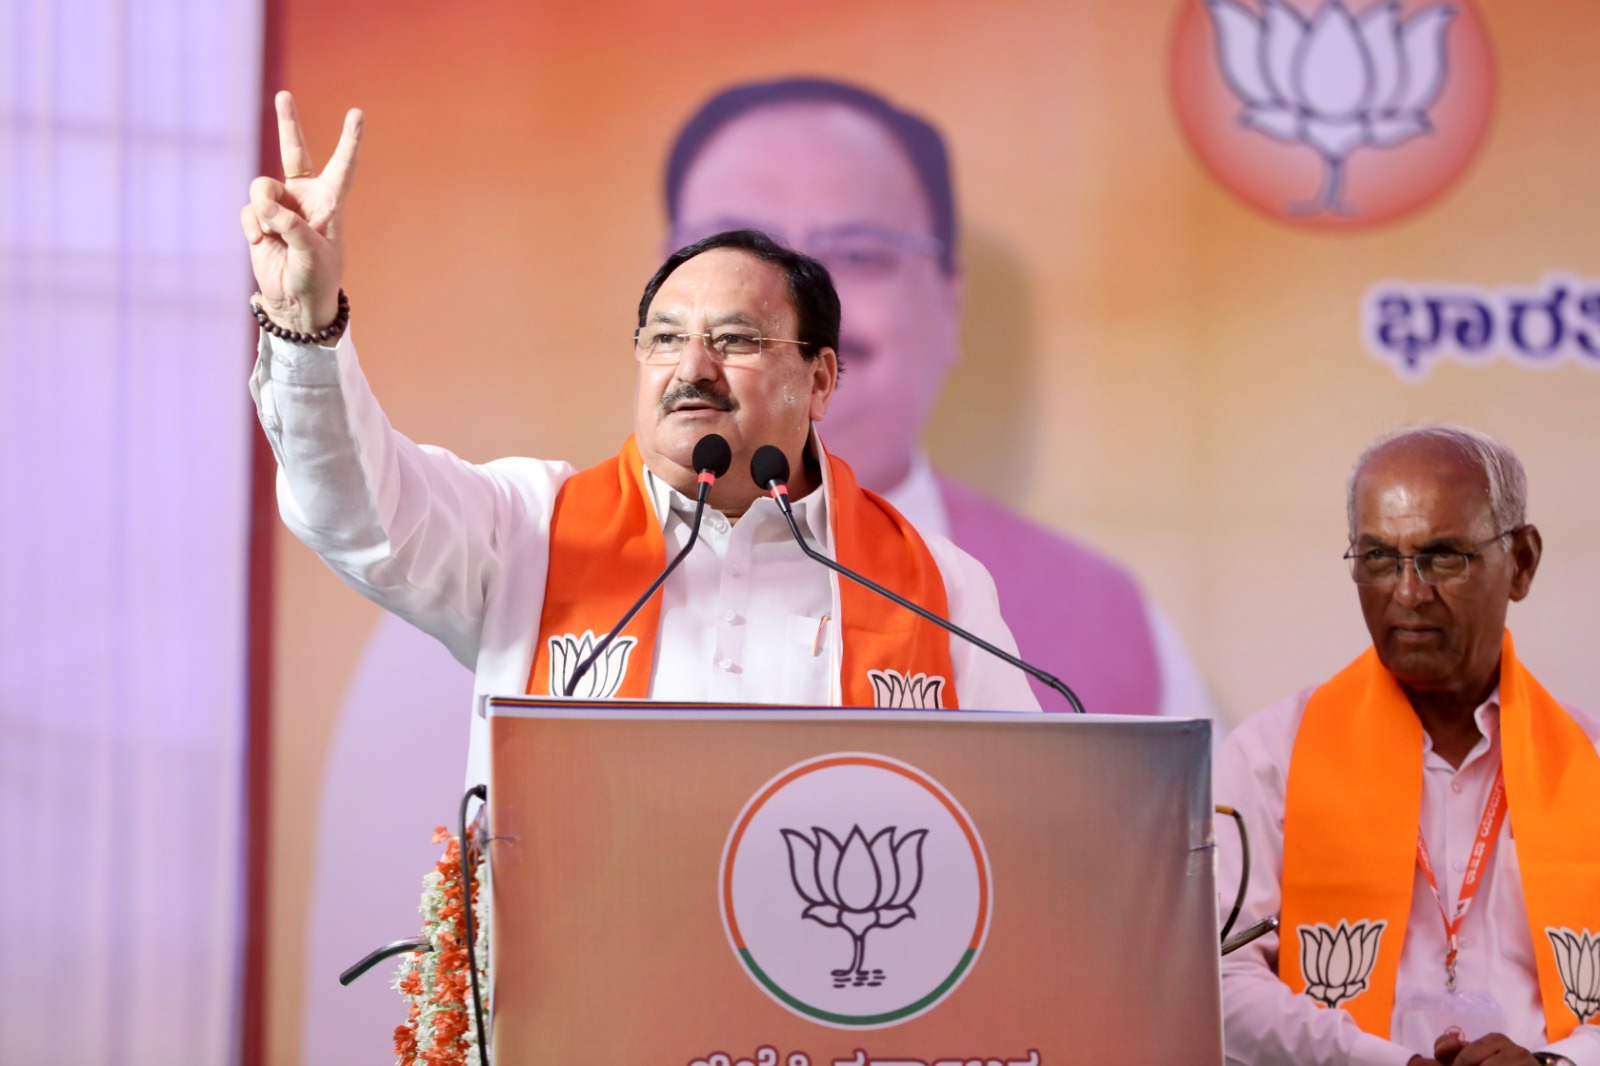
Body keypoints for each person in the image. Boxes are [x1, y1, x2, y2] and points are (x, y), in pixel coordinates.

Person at [241, 92, 1038, 784]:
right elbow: (358, 511)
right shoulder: (527, 527)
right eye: (663, 339)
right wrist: (304, 329)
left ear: (821, 379)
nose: (691, 368)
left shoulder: (937, 588)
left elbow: (1025, 811)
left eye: (733, 339)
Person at [662, 77, 1216, 719]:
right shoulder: (551, 557)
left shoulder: (1102, 616)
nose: (792, 313)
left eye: (859, 254)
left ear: (949, 303)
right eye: (736, 259)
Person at [1215, 425, 1600, 1066]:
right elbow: (1216, 974)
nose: (1408, 592)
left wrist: (1557, 1064)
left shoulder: (1589, 761)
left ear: (1523, 564)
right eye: (1379, 558)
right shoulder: (1271, 758)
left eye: (1443, 557)